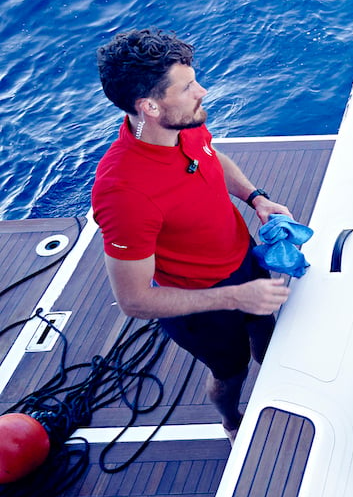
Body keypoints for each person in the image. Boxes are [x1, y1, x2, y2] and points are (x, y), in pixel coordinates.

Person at [91, 28, 292, 443]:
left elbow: (211, 156)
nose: (202, 90)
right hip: (200, 307)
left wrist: (256, 198)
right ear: (149, 105)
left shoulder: (183, 124)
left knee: (267, 333)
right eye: (187, 87)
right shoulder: (123, 192)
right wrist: (235, 297)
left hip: (244, 263)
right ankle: (231, 421)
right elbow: (134, 300)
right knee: (231, 370)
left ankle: (278, 389)